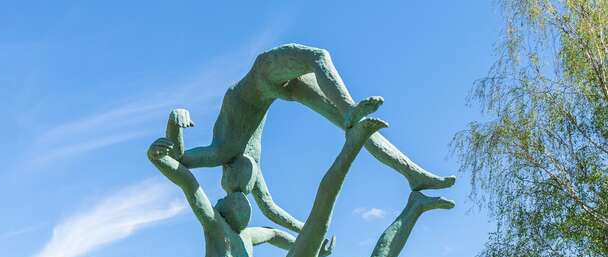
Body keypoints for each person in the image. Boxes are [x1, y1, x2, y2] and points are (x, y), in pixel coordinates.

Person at [148, 117, 454, 257]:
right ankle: (353, 144)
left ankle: (414, 207)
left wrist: (313, 253)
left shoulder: (245, 236)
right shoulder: (215, 227)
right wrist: (159, 157)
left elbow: (275, 234)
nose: (243, 207)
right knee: (318, 222)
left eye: (244, 205)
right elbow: (189, 183)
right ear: (222, 209)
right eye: (234, 203)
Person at [167, 43, 455, 233]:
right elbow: (272, 211)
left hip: (262, 75)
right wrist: (307, 230)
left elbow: (179, 159)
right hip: (283, 90)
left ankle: (349, 109)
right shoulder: (252, 168)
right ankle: (413, 174)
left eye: (236, 201)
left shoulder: (220, 152)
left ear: (227, 189)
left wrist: (174, 121)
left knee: (319, 58)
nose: (246, 194)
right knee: (358, 127)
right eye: (247, 202)